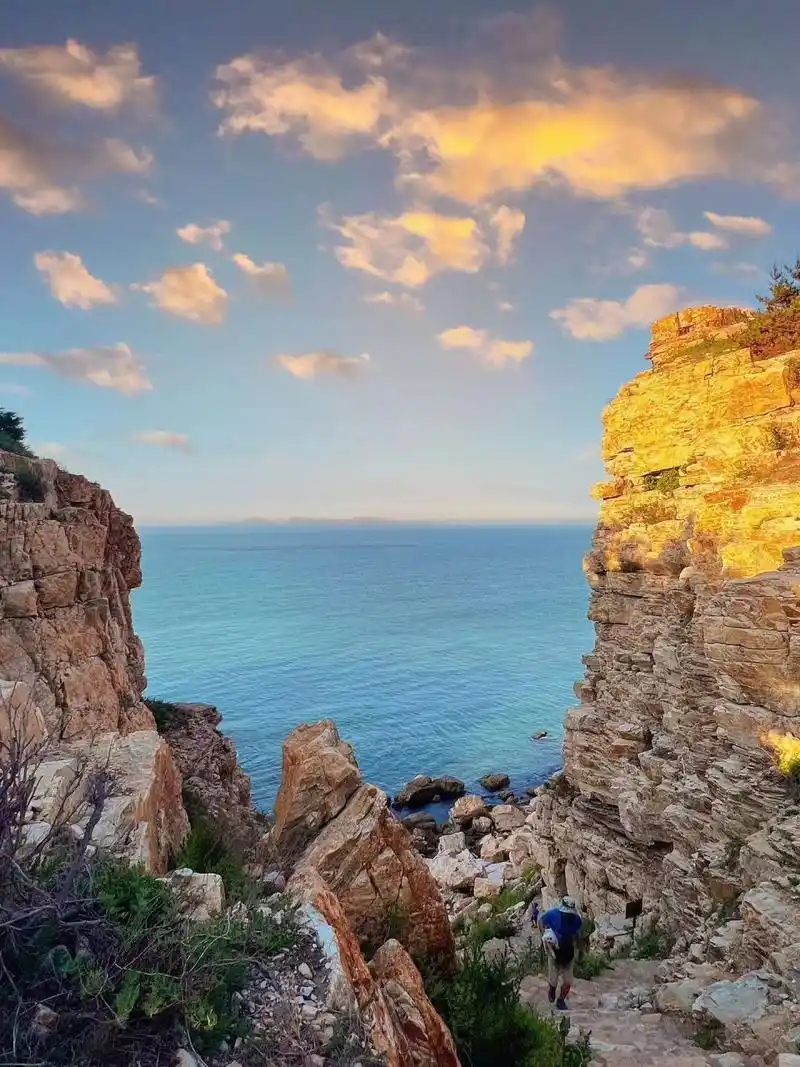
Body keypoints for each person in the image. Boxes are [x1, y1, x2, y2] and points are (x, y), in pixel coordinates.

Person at [538, 895, 583, 1010]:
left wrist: (578, 949)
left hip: (569, 951)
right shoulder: (553, 914)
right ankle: (552, 989)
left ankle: (561, 1000)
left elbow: (578, 935)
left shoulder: (576, 920)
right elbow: (541, 921)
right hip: (554, 951)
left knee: (568, 981)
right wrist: (543, 935)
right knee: (553, 980)